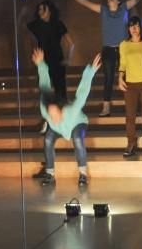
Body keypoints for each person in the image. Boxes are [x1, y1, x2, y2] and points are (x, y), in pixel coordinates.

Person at [63, 0, 142, 116]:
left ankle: (134, 104)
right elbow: (86, 3)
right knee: (108, 78)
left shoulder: (124, 8)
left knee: (129, 76)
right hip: (108, 49)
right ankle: (106, 107)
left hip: (124, 48)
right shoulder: (103, 10)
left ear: (118, 1)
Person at [32, 47, 101, 186]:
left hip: (77, 122)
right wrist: (41, 64)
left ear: (61, 109)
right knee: (48, 139)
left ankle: (83, 174)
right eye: (50, 114)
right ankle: (50, 175)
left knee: (77, 138)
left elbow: (82, 92)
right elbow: (44, 85)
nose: (53, 117)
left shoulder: (72, 110)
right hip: (58, 128)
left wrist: (91, 71)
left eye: (55, 114)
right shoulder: (46, 111)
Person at [118, 15, 142, 158]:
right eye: (131, 26)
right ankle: (131, 144)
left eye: (136, 25)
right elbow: (122, 63)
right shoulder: (124, 45)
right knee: (130, 116)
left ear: (141, 27)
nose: (134, 29)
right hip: (130, 83)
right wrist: (120, 77)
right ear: (128, 28)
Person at [26, 0, 73, 103]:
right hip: (43, 60)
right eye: (39, 9)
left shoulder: (58, 24)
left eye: (43, 9)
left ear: (50, 11)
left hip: (57, 59)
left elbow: (71, 44)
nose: (41, 12)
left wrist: (69, 59)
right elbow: (23, 29)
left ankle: (63, 114)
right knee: (44, 89)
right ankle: (47, 115)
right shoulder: (36, 25)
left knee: (60, 89)